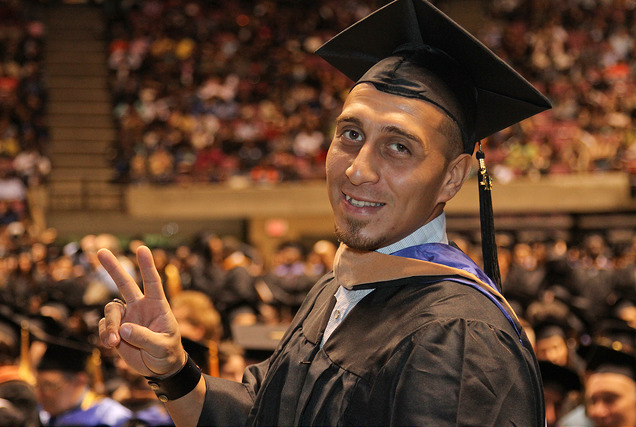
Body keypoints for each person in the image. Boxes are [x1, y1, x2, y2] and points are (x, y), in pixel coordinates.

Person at [98, 1, 551, 426]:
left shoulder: (458, 336)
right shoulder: (338, 287)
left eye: (399, 146)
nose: (357, 170)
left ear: (453, 178)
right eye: (350, 134)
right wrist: (172, 369)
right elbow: (266, 413)